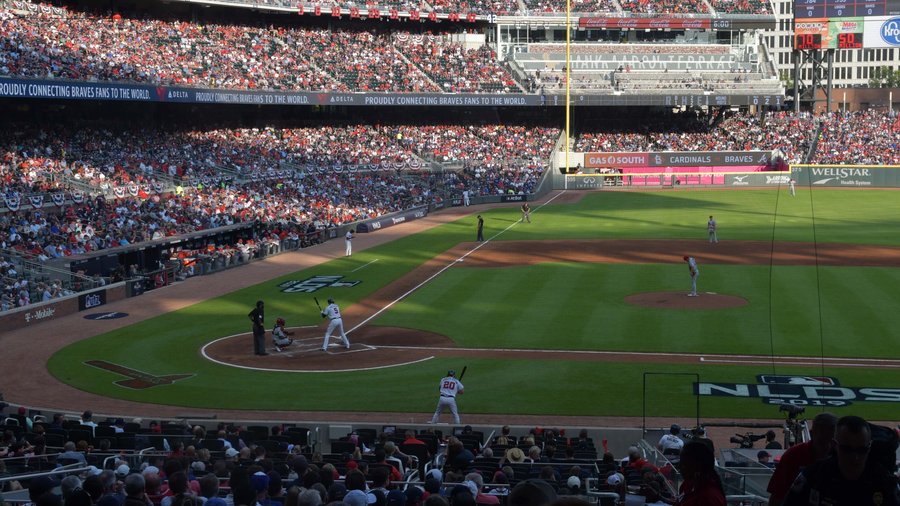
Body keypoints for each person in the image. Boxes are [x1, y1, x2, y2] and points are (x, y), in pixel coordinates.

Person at [783, 415, 900, 506]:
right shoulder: (814, 477)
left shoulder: (884, 483)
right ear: (835, 445)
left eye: (861, 450)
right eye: (847, 449)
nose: (855, 457)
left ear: (869, 447)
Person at [766, 412, 837, 506]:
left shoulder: (843, 456)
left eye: (829, 441)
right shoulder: (793, 455)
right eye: (821, 442)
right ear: (811, 434)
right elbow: (777, 495)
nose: (826, 447)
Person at [675, 441, 726, 506]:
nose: (679, 467)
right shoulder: (688, 484)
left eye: (684, 464)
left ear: (697, 466)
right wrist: (662, 498)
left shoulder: (710, 497)